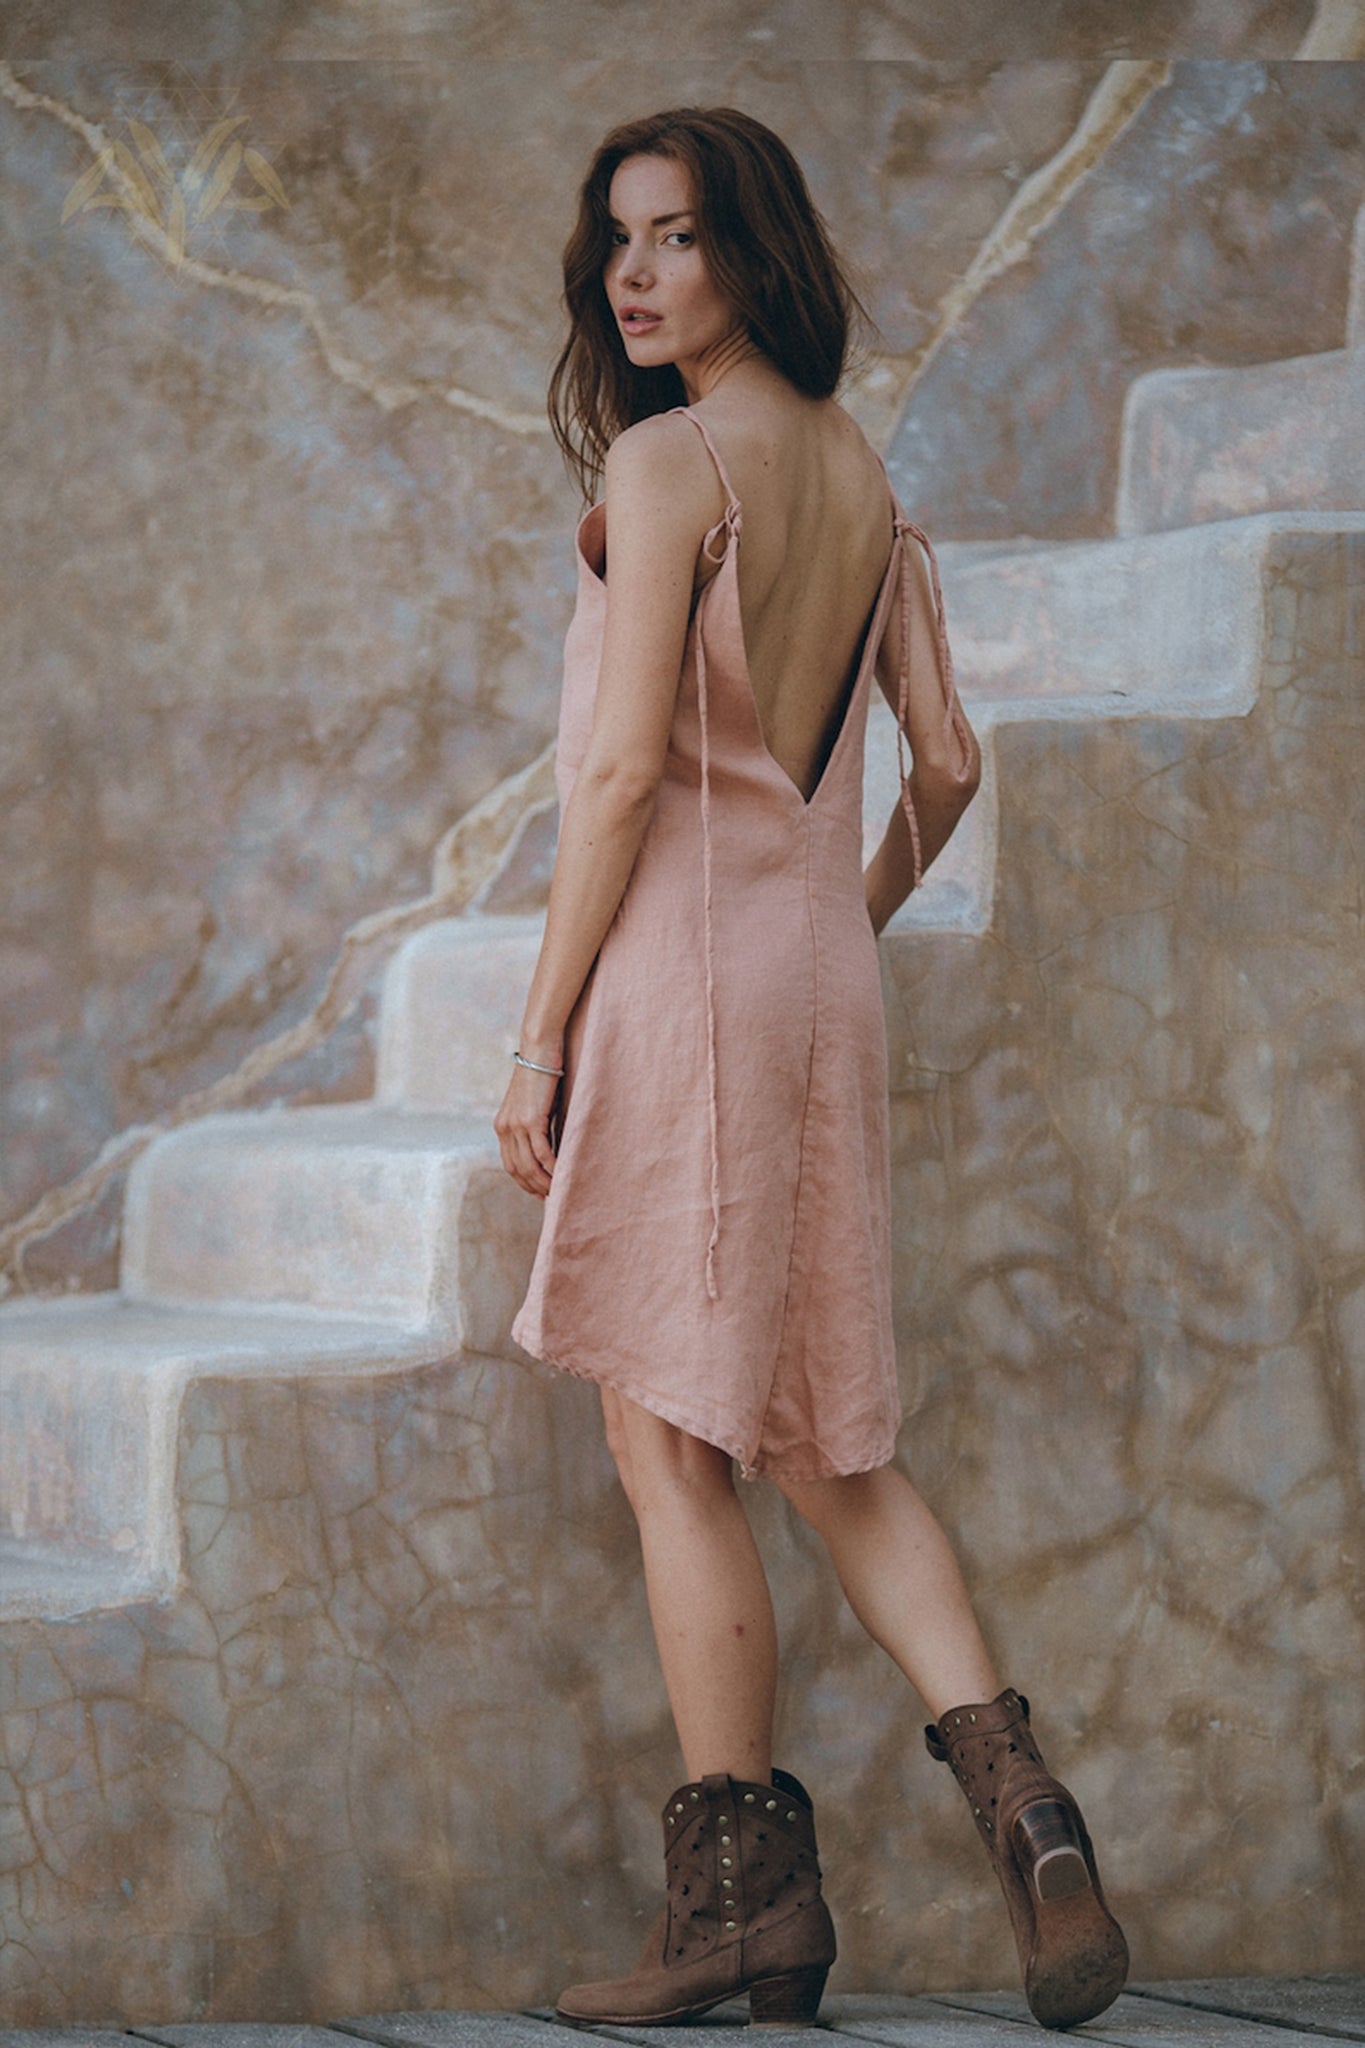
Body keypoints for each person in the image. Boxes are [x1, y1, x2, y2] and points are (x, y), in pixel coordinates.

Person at [494, 105, 1127, 2033]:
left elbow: (615, 781)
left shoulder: (679, 464)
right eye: (619, 238)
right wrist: (836, 914)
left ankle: (739, 1914)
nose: (634, 273)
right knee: (832, 1439)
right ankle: (1021, 1806)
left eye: (674, 236)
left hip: (684, 984)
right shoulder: (858, 468)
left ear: (752, 255)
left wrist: (536, 1038)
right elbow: (946, 766)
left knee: (669, 1437)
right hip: (811, 986)